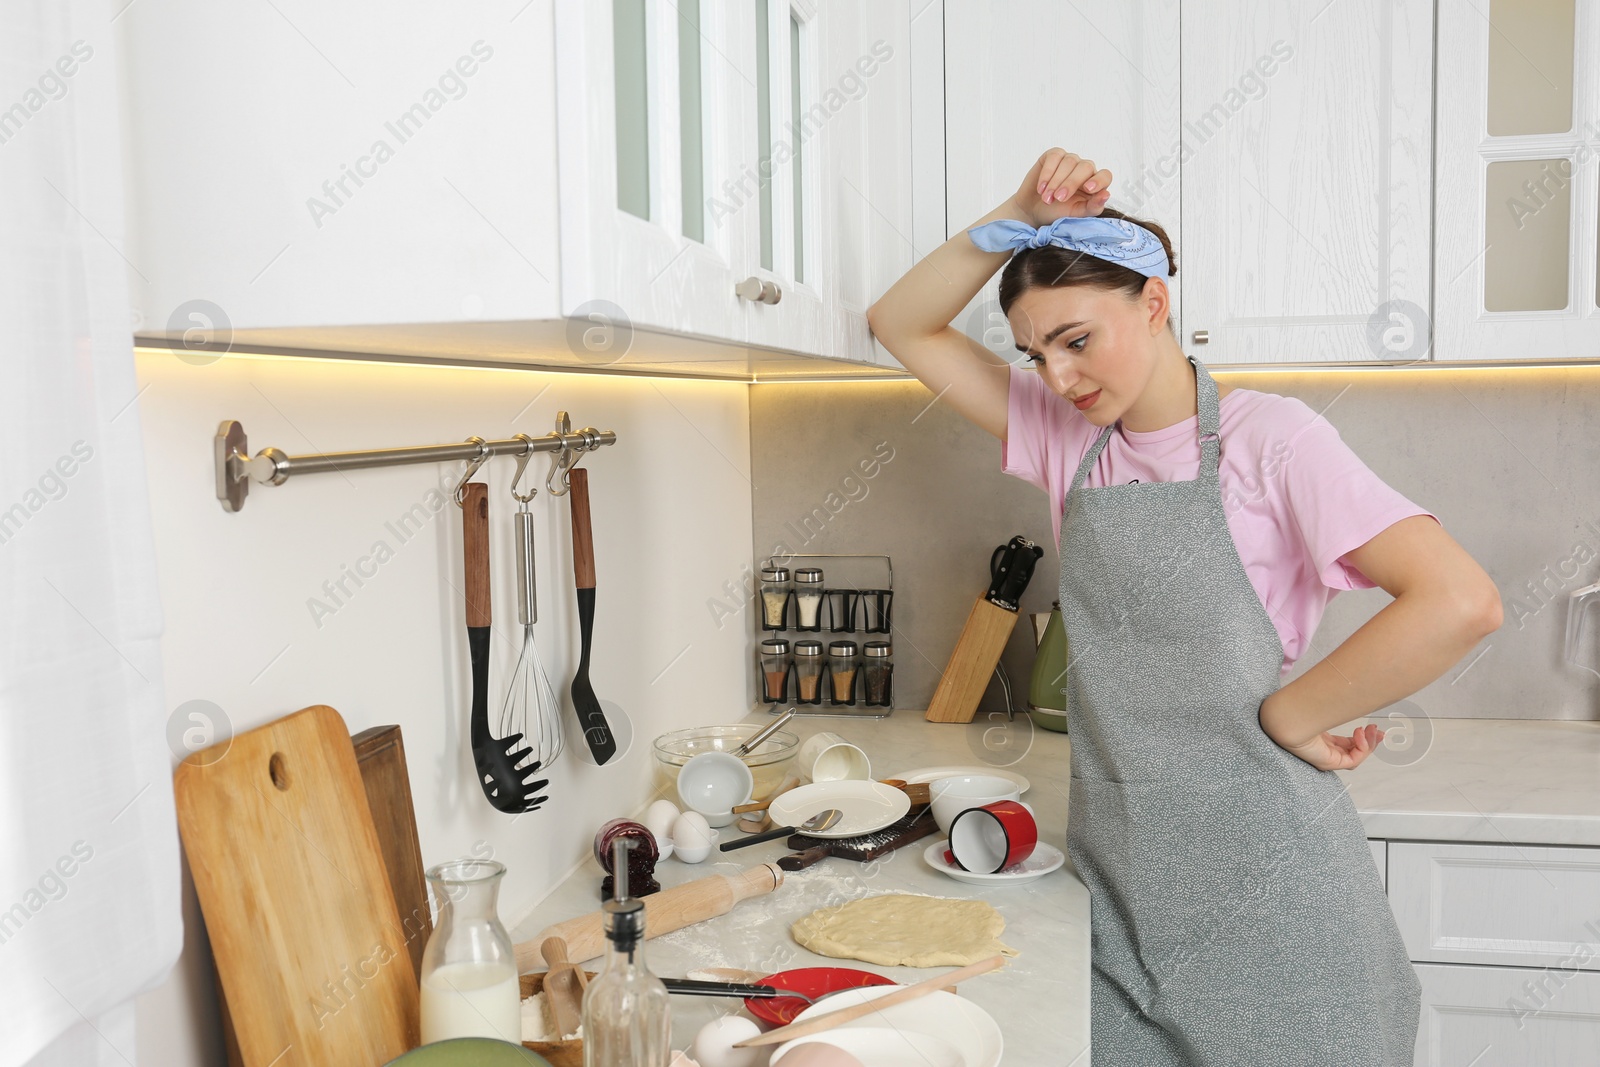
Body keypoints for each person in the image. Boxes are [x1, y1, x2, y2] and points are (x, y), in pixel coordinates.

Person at [866, 148, 1503, 1065]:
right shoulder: (1066, 440)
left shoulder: (1271, 441)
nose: (1056, 377)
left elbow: (1460, 599)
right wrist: (1015, 212)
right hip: (1127, 899)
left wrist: (1293, 710)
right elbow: (900, 320)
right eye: (1035, 353)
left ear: (1155, 303)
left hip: (1281, 909)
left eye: (1077, 340)